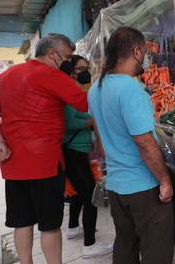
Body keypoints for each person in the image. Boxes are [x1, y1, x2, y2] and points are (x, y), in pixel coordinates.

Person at [0, 34, 88, 264]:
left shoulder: (7, 75)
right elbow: (84, 103)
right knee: (50, 226)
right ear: (52, 53)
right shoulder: (52, 76)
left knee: (22, 222)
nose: (68, 61)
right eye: (67, 56)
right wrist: (81, 79)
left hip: (14, 165)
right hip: (45, 163)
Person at [88, 27, 173, 264]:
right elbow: (144, 142)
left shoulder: (96, 88)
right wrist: (164, 180)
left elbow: (100, 136)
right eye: (144, 51)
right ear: (136, 51)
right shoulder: (132, 90)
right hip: (142, 186)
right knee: (156, 250)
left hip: (116, 184)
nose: (145, 57)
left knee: (125, 243)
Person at [62, 55, 112, 258]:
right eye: (81, 68)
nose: (85, 71)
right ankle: (90, 244)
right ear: (71, 71)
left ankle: (73, 227)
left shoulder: (74, 91)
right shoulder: (66, 92)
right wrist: (92, 121)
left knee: (78, 192)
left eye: (87, 67)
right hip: (73, 150)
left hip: (77, 150)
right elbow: (69, 122)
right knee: (90, 196)